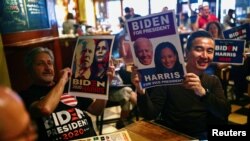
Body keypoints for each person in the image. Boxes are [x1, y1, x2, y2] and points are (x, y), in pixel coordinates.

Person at [131, 30, 231, 140]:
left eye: (210, 51)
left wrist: (203, 93)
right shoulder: (168, 79)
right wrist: (141, 91)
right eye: (199, 49)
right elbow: (150, 114)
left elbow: (224, 112)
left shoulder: (212, 80)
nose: (205, 56)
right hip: (172, 135)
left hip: (201, 135)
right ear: (186, 52)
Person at [20, 47, 114, 141]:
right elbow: (45, 109)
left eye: (49, 63)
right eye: (40, 64)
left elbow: (96, 110)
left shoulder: (69, 86)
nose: (48, 68)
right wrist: (62, 80)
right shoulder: (26, 95)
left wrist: (106, 84)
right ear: (30, 70)